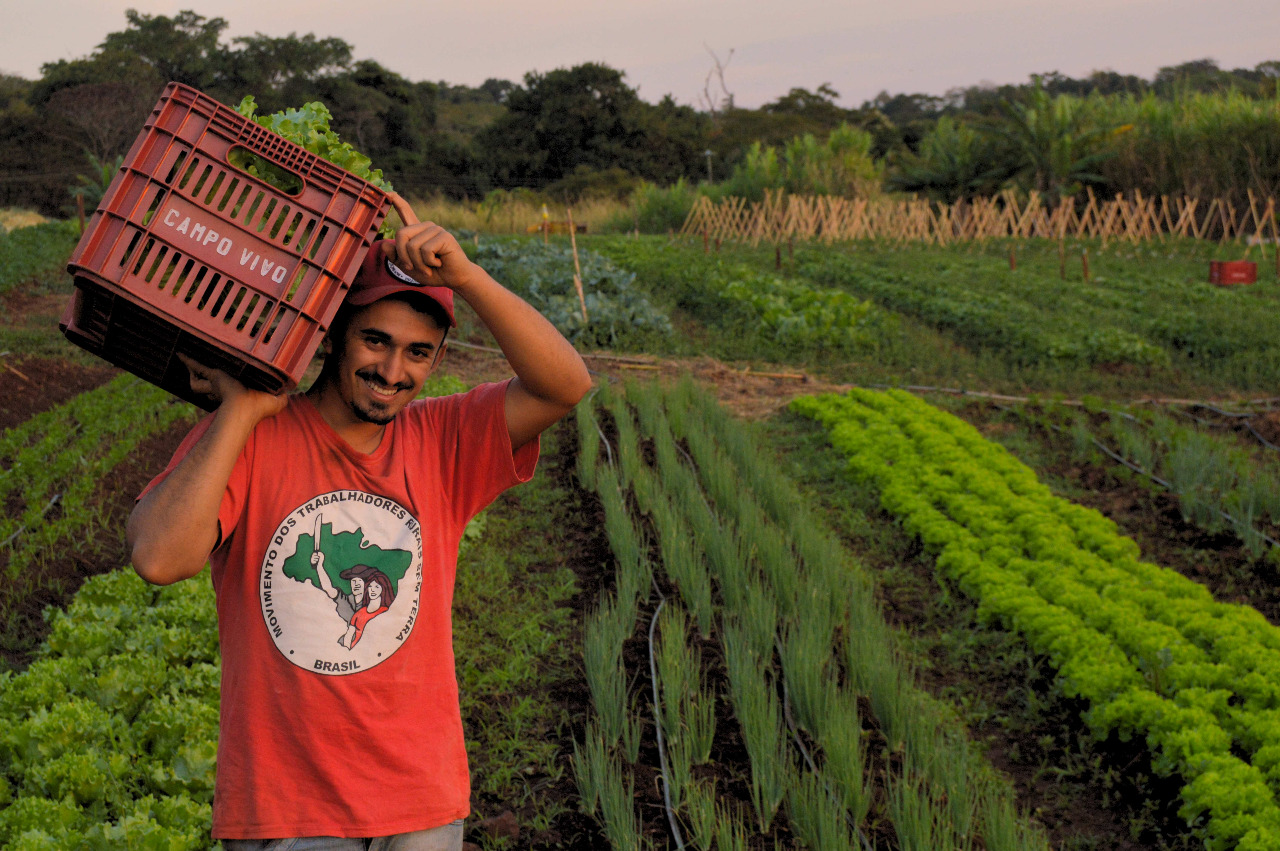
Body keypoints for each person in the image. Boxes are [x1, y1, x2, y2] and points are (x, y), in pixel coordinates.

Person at [127, 193, 593, 850]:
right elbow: (158, 557)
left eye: (418, 352)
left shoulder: (444, 440)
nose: (392, 371)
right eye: (376, 340)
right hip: (290, 807)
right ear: (337, 335)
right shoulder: (257, 438)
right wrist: (238, 410)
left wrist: (464, 275)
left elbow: (565, 384)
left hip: (420, 799)